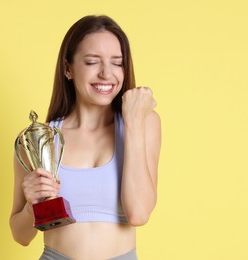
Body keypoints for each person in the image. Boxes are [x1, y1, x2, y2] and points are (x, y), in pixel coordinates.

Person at [10, 15, 161, 260]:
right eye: (92, 62)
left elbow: (139, 214)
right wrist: (31, 206)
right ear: (68, 68)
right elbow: (20, 236)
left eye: (117, 63)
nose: (106, 74)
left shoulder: (144, 124)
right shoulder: (39, 140)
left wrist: (132, 120)